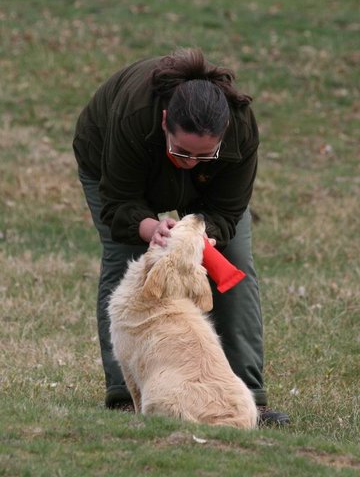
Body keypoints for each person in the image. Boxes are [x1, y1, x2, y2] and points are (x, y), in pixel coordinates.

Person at [73, 48, 289, 425]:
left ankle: (247, 396)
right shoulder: (133, 116)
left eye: (203, 155)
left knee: (232, 265)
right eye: (182, 151)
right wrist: (150, 228)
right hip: (114, 164)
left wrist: (204, 240)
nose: (190, 162)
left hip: (209, 193)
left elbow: (226, 212)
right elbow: (118, 203)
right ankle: (125, 394)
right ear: (163, 121)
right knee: (124, 260)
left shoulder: (240, 129)